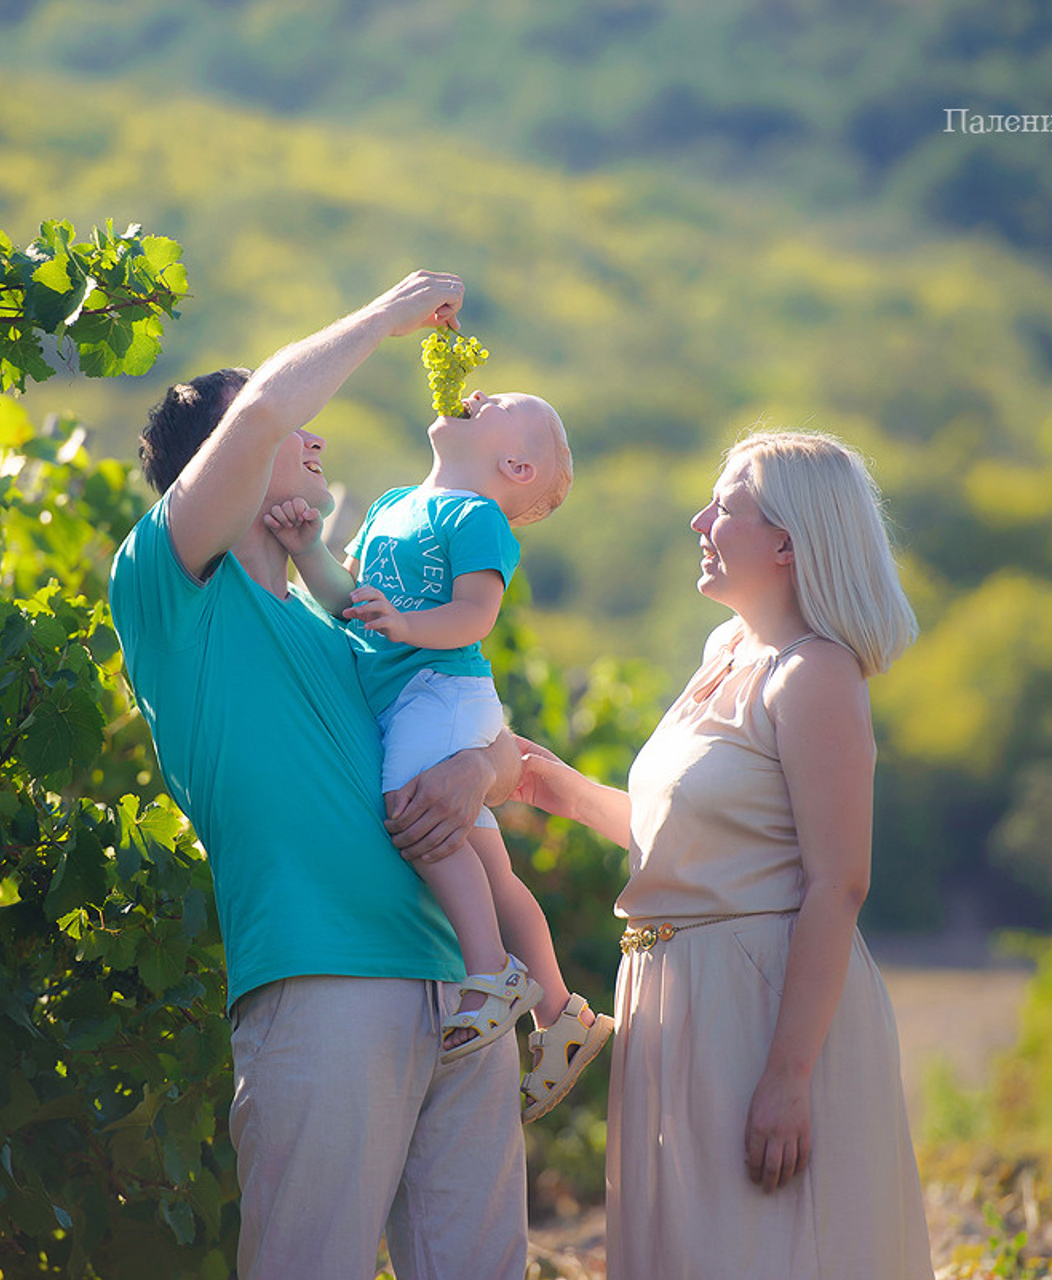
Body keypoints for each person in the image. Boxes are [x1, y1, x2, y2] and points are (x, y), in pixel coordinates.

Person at [108, 272, 530, 1280]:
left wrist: (476, 769)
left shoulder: (342, 624)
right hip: (323, 984)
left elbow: (501, 748)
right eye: (299, 432)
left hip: (464, 990)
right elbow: (262, 410)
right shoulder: (163, 587)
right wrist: (387, 316)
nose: (316, 440)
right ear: (229, 460)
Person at [511, 429, 934, 1279]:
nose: (699, 520)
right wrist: (540, 781)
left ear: (787, 541)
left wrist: (787, 1078)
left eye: (725, 507)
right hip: (675, 1002)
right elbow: (683, 839)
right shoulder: (727, 655)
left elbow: (837, 885)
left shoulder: (813, 674)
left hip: (759, 1009)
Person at [262, 386, 613, 1120]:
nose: (477, 389)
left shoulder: (474, 516)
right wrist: (306, 551)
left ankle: (490, 973)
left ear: (515, 465)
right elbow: (351, 600)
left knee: (413, 812)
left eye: (503, 400)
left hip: (440, 691)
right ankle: (561, 1011)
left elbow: (475, 614)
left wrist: (407, 626)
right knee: (489, 865)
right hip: (415, 700)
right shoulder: (394, 502)